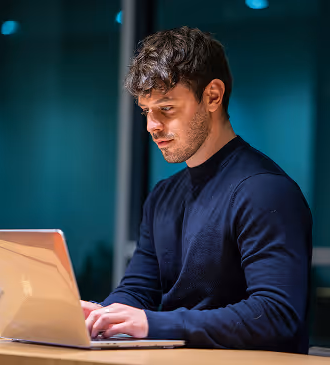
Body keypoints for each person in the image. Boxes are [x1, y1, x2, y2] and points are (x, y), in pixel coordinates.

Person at [81, 26, 312, 353]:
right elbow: (137, 289)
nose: (151, 126)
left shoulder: (264, 191)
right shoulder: (162, 196)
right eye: (146, 111)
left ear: (213, 96)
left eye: (166, 108)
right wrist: (103, 315)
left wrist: (154, 324)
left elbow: (276, 315)